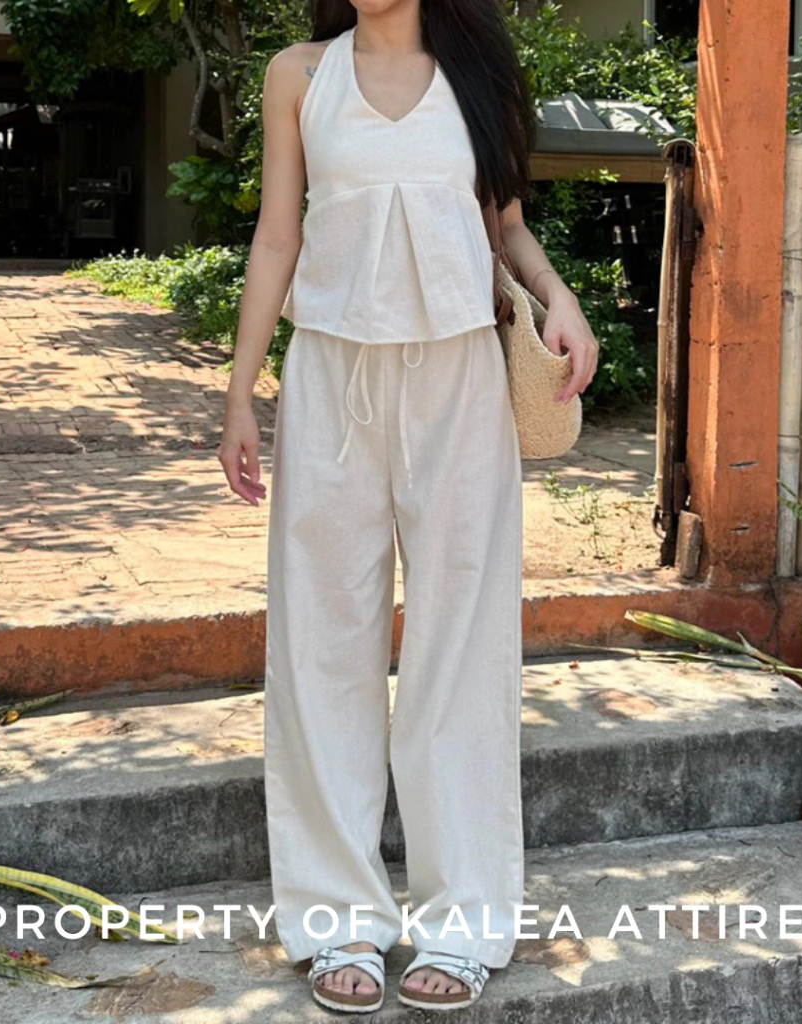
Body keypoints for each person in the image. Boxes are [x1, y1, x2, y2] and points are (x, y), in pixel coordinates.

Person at [219, 0, 599, 1012]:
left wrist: (559, 297)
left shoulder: (476, 71)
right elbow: (276, 238)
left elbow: (504, 226)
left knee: (462, 645)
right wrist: (240, 394)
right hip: (330, 378)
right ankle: (335, 917)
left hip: (459, 376)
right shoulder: (301, 74)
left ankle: (463, 918)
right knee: (321, 645)